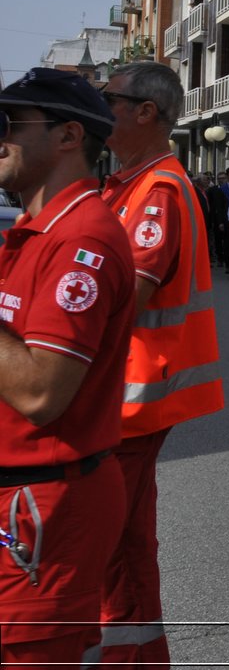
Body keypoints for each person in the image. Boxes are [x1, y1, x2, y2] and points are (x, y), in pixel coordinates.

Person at [0, 69, 136, 667]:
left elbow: (39, 392)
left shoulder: (82, 239)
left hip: (43, 507)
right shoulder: (35, 232)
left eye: (10, 123)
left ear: (67, 136)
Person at [98, 61, 225, 665]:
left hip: (133, 394)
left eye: (110, 99)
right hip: (125, 394)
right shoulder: (131, 183)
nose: (100, 109)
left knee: (106, 549)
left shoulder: (159, 192)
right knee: (120, 545)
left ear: (146, 112)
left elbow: (117, 302)